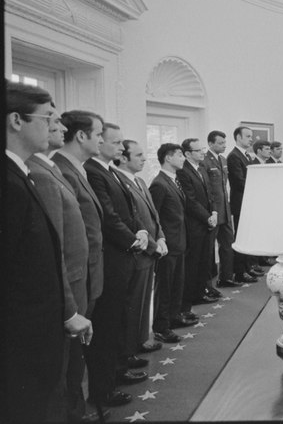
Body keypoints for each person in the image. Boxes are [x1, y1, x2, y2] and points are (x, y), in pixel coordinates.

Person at [3, 82, 68, 422]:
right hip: (22, 342)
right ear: (16, 120)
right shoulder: (9, 182)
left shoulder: (20, 173)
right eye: (47, 118)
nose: (56, 127)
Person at [26, 108, 95, 422]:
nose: (59, 127)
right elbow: (56, 247)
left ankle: (76, 411)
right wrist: (69, 307)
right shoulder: (39, 173)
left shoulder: (50, 167)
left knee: (74, 365)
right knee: (65, 368)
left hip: (78, 281)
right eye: (51, 121)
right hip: (68, 286)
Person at [84, 123, 149, 409]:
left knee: (120, 319)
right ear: (99, 143)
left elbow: (129, 210)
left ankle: (119, 372)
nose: (120, 147)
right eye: (115, 141)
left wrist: (140, 231)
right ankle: (104, 390)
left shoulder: (109, 171)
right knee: (108, 326)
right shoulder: (93, 171)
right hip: (113, 257)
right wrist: (132, 239)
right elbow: (108, 216)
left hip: (125, 254)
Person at [52, 110, 108, 420]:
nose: (101, 138)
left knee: (77, 363)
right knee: (71, 366)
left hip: (89, 279)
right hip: (77, 283)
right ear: (82, 136)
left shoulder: (76, 169)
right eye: (98, 133)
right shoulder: (62, 171)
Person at [114, 140, 166, 375]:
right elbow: (135, 222)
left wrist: (162, 237)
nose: (144, 158)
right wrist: (153, 246)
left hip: (151, 249)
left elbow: (153, 216)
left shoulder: (140, 181)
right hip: (140, 253)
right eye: (138, 155)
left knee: (144, 303)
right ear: (123, 158)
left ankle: (139, 341)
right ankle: (128, 350)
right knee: (132, 306)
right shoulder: (120, 182)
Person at [149, 143, 187, 345]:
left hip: (179, 242)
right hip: (168, 245)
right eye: (180, 155)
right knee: (164, 287)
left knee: (175, 284)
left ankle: (173, 317)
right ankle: (161, 327)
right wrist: (160, 241)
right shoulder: (159, 183)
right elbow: (153, 217)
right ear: (168, 158)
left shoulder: (173, 180)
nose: (183, 158)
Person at [177, 138, 220, 316]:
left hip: (208, 220)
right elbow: (191, 201)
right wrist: (207, 217)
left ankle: (202, 291)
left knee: (205, 259)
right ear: (188, 154)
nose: (203, 152)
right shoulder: (183, 172)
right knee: (194, 262)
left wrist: (215, 213)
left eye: (202, 149)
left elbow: (210, 193)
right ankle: (194, 294)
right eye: (198, 150)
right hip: (195, 223)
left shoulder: (201, 168)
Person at [205, 131, 243, 288]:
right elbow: (207, 189)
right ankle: (208, 285)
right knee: (208, 251)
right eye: (220, 143)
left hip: (225, 210)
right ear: (211, 143)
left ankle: (226, 277)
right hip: (213, 211)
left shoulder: (223, 159)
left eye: (224, 142)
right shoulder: (205, 161)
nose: (224, 145)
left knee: (228, 244)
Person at [227, 126, 262, 279]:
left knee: (249, 236)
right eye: (248, 136)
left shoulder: (247, 156)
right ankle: (240, 271)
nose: (251, 139)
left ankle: (248, 267)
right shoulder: (234, 156)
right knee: (242, 237)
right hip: (240, 202)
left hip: (249, 201)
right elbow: (239, 181)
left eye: (251, 136)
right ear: (238, 138)